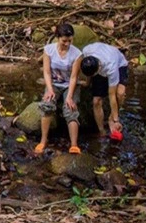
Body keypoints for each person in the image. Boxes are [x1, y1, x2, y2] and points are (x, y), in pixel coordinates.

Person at [35, 24, 83, 155]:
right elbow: (47, 72)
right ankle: (43, 140)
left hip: (69, 85)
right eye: (64, 41)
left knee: (70, 109)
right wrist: (50, 89)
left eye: (70, 41)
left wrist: (69, 96)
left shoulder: (77, 54)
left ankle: (74, 145)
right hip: (54, 84)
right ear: (57, 38)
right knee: (47, 105)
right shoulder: (48, 50)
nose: (67, 44)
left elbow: (74, 77)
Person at [80, 42, 129, 139]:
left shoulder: (111, 67)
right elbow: (87, 72)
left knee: (120, 93)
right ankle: (101, 131)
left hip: (119, 64)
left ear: (98, 68)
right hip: (98, 66)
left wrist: (115, 120)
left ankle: (111, 118)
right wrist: (87, 82)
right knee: (96, 101)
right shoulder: (86, 51)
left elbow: (112, 95)